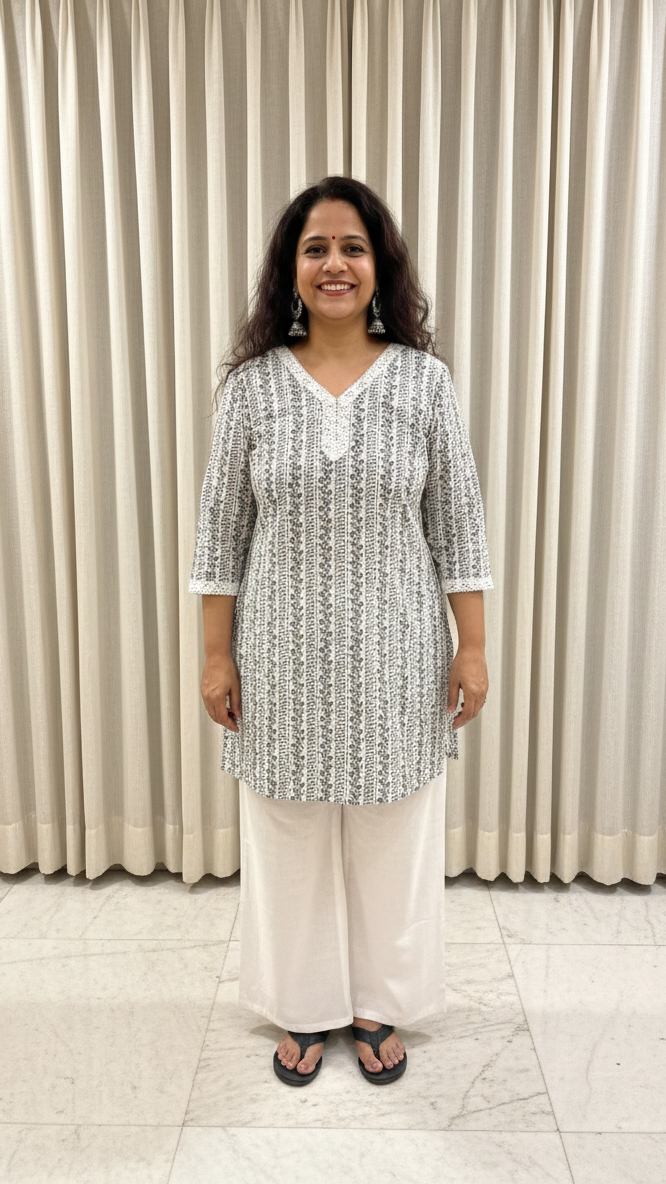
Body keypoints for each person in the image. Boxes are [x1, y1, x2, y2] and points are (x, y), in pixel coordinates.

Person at [189, 175, 493, 1087]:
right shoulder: (249, 389)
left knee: (393, 834)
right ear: (291, 268)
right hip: (277, 658)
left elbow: (459, 524)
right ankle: (303, 1004)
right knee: (287, 837)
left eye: (353, 248)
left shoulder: (423, 382)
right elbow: (219, 533)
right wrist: (214, 655)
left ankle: (377, 1002)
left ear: (379, 267)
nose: (335, 264)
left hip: (399, 655)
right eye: (316, 247)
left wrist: (470, 646)